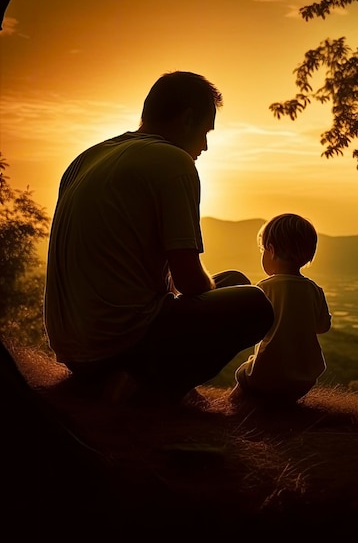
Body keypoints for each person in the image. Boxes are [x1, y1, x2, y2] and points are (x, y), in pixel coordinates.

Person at [44, 71, 274, 405]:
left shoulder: (87, 157)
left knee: (234, 281)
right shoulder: (172, 161)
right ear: (187, 119)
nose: (205, 146)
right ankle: (146, 386)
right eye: (204, 132)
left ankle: (125, 377)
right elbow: (190, 281)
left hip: (71, 348)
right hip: (118, 343)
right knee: (255, 305)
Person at [230, 213, 332, 406]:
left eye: (262, 250)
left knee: (241, 381)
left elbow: (250, 328)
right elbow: (323, 326)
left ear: (271, 250)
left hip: (265, 372)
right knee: (278, 406)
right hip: (304, 376)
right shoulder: (313, 290)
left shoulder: (264, 288)